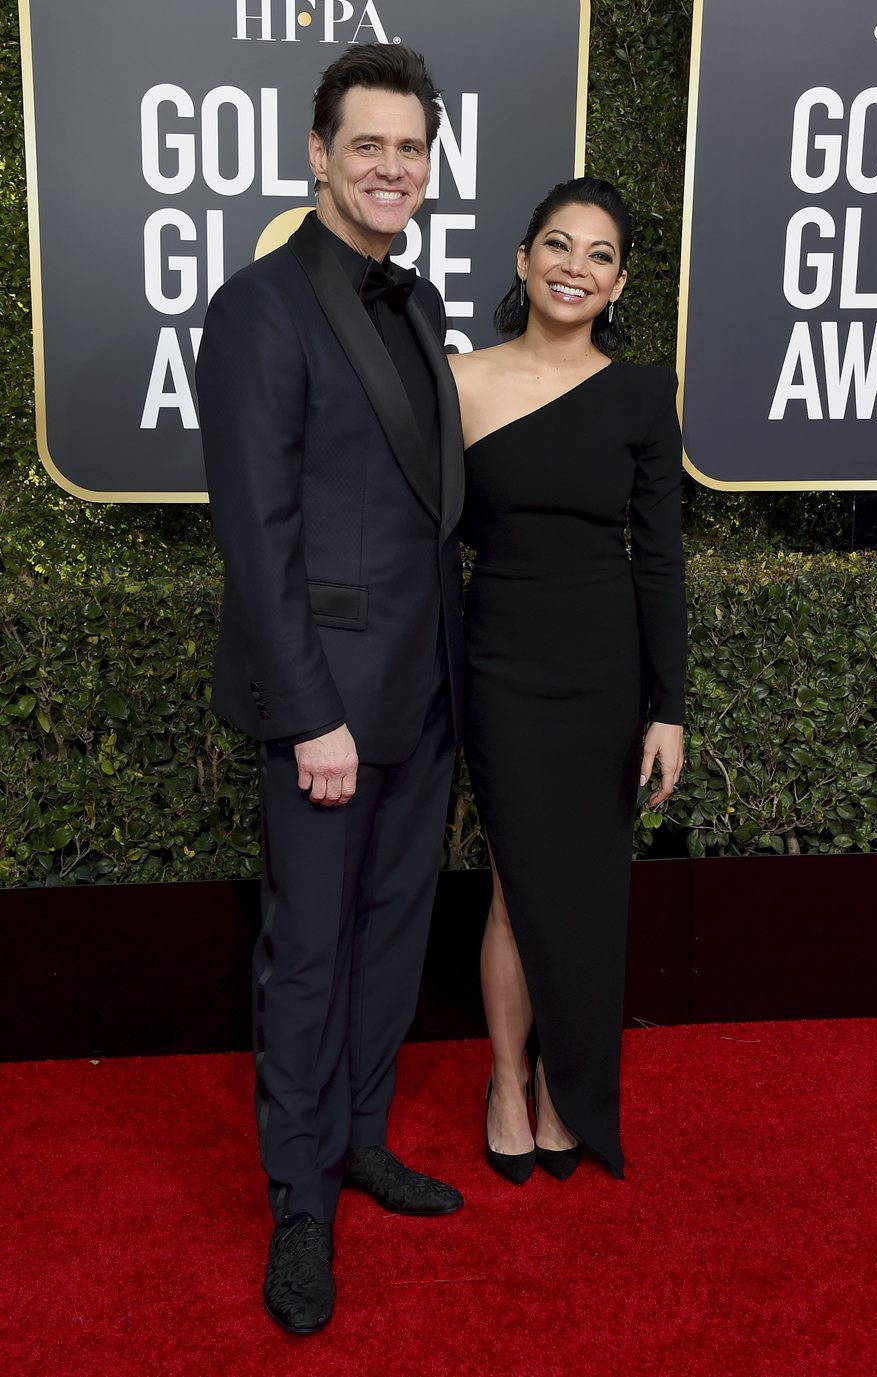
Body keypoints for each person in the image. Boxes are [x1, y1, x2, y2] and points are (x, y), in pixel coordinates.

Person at [196, 45, 465, 1335]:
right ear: (317, 154)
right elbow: (259, 534)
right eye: (368, 145)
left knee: (392, 937)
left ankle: (358, 1137)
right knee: (306, 955)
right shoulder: (260, 308)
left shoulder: (417, 307)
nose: (391, 168)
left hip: (426, 696)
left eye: (410, 149)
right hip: (330, 712)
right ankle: (298, 1202)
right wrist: (312, 714)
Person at [448, 177, 686, 1185]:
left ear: (619, 280)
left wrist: (668, 708)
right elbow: (422, 538)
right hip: (498, 659)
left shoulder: (639, 393)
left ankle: (565, 1088)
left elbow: (660, 558)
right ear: (522, 259)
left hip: (602, 671)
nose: (574, 267)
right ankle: (509, 1081)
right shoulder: (457, 380)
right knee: (515, 890)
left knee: (584, 895)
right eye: (557, 244)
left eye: (598, 255)